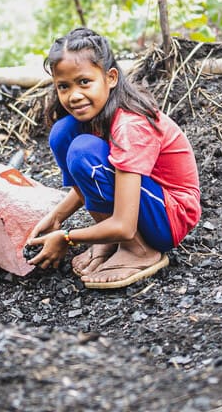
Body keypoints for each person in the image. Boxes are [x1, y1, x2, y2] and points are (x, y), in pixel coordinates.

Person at [25, 27, 201, 289]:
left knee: (83, 150)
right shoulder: (98, 115)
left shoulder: (130, 125)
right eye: (64, 86)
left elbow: (123, 220)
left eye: (84, 82)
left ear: (111, 77)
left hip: (170, 216)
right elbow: (104, 174)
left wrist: (67, 237)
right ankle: (110, 237)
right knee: (64, 132)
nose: (74, 95)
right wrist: (57, 215)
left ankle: (139, 250)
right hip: (140, 200)